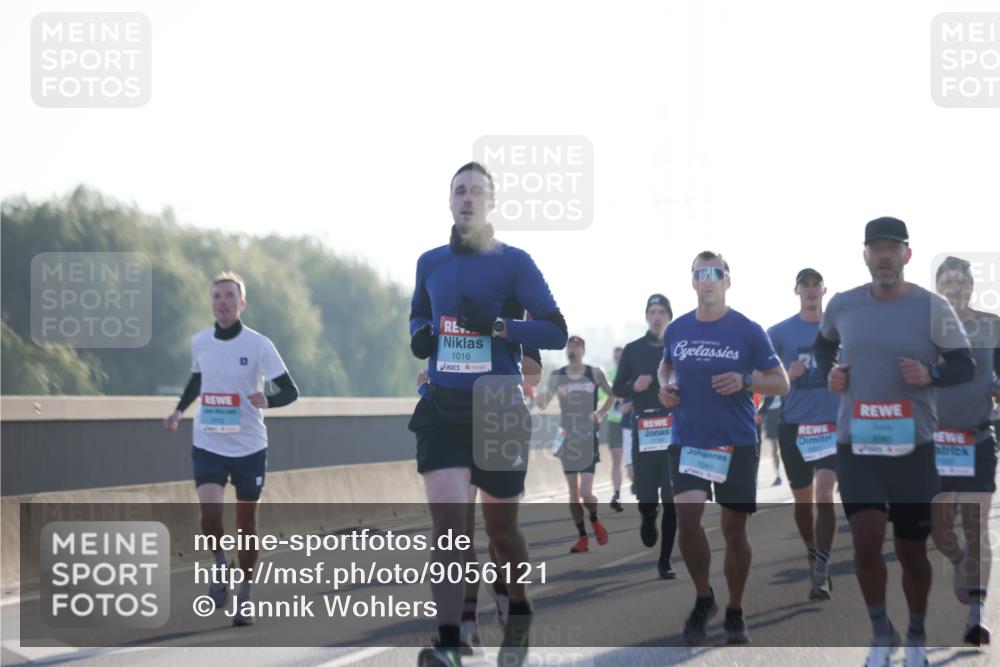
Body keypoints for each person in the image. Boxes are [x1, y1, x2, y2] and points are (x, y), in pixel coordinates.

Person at [408, 161, 568, 667]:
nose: (467, 198)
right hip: (443, 408)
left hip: (498, 408)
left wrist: (497, 326)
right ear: (449, 201)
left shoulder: (514, 262)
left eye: (477, 191)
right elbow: (418, 312)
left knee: (501, 533)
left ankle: (518, 610)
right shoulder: (430, 262)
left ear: (492, 202)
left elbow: (556, 330)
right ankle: (450, 642)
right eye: (460, 190)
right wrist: (420, 334)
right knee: (450, 529)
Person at [814, 217, 974, 667]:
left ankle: (917, 633)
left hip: (913, 450)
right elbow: (823, 345)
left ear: (907, 254)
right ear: (865, 255)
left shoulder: (932, 307)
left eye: (892, 248)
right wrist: (831, 372)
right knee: (866, 540)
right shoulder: (843, 305)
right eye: (876, 248)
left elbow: (964, 365)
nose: (883, 256)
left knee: (911, 550)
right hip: (857, 445)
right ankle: (881, 631)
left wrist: (931, 373)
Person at [657, 251, 789, 645]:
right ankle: (704, 598)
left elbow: (780, 383)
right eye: (700, 274)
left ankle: (735, 607)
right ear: (693, 282)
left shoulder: (748, 330)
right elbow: (666, 365)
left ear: (727, 281)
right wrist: (665, 386)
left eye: (715, 273)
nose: (708, 279)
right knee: (687, 521)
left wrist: (746, 381)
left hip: (736, 441)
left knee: (734, 530)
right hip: (689, 439)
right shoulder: (678, 329)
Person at [163, 271, 299, 627]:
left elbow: (291, 391)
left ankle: (246, 595)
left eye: (229, 296)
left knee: (246, 526)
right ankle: (220, 564)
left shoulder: (259, 345)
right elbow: (197, 380)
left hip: (249, 446)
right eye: (217, 296)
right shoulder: (200, 343)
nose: (222, 302)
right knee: (210, 514)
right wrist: (179, 410)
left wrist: (267, 400)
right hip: (208, 441)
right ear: (211, 303)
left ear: (242, 304)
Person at [929, 255, 999, 646]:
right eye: (948, 282)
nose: (955, 288)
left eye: (961, 281)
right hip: (936, 445)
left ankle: (977, 616)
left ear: (971, 286)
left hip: (977, 439)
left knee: (977, 527)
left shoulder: (991, 325)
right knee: (940, 531)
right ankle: (958, 561)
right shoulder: (924, 329)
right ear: (938, 288)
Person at [767, 268, 841, 600]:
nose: (810, 290)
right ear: (796, 291)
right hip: (794, 426)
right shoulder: (779, 333)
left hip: (831, 424)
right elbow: (760, 374)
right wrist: (787, 374)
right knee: (803, 503)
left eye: (815, 285)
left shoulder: (839, 330)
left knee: (824, 494)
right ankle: (812, 551)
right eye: (805, 285)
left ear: (824, 290)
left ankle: (821, 570)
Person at [613, 294, 678, 579]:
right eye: (652, 312)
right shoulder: (633, 350)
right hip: (645, 434)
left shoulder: (679, 347)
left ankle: (665, 560)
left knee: (672, 498)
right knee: (647, 497)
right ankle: (648, 516)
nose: (657, 316)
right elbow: (617, 388)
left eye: (662, 311)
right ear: (647, 317)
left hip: (675, 433)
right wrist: (634, 386)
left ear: (669, 316)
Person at [537, 335, 615, 552]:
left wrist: (600, 413)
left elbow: (613, 395)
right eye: (569, 347)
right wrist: (536, 397)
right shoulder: (557, 375)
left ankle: (595, 519)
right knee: (573, 492)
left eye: (576, 347)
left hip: (588, 437)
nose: (572, 350)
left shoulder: (595, 373)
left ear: (583, 350)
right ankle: (582, 537)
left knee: (585, 492)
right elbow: (543, 403)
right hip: (567, 438)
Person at [601, 346, 627, 511]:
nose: (617, 359)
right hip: (614, 423)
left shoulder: (631, 372)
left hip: (630, 422)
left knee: (634, 461)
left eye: (620, 356)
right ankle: (616, 494)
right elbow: (601, 395)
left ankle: (642, 489)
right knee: (616, 460)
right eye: (615, 356)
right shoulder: (609, 374)